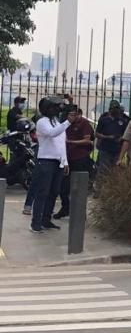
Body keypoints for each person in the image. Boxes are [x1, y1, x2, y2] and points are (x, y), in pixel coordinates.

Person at [29, 97, 70, 233]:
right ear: (48, 108)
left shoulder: (56, 121)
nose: (58, 109)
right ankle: (36, 222)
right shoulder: (42, 122)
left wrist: (65, 161)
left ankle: (46, 220)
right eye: (55, 107)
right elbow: (52, 134)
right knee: (43, 192)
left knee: (53, 192)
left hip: (57, 161)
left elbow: (61, 143)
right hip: (46, 161)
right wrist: (68, 122)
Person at [55, 108, 94, 220]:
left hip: (80, 158)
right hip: (67, 158)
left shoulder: (84, 123)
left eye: (75, 115)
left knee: (79, 186)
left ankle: (80, 212)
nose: (73, 117)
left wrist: (70, 142)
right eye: (71, 114)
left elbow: (87, 140)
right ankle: (65, 208)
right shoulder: (65, 123)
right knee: (64, 187)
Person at [95, 101, 128, 171]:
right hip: (105, 149)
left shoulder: (122, 121)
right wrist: (107, 137)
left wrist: (120, 138)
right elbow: (97, 134)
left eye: (117, 108)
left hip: (117, 150)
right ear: (110, 109)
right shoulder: (103, 120)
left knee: (115, 171)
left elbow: (126, 135)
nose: (116, 110)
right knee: (103, 170)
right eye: (114, 108)